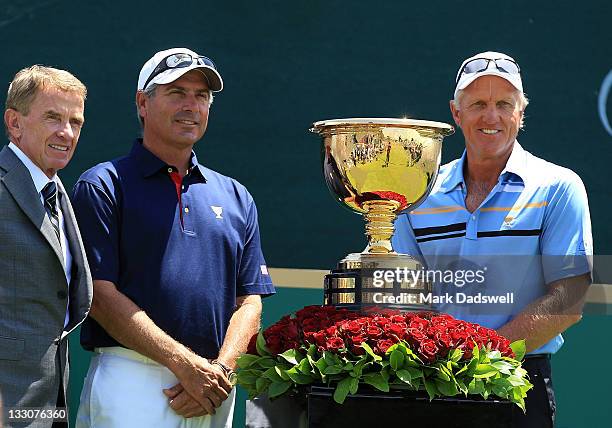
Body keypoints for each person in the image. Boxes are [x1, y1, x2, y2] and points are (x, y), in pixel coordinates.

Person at [72, 47, 275, 428]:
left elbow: (250, 302)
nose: (191, 105)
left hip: (214, 387)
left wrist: (220, 371)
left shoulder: (236, 196)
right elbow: (98, 295)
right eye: (176, 92)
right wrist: (183, 364)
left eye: (202, 96)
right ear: (142, 103)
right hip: (132, 377)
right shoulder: (103, 185)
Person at [392, 51, 592, 427]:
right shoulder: (419, 192)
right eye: (479, 104)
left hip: (519, 384)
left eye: (504, 104)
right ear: (456, 113)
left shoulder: (558, 186)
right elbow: (403, 296)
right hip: (428, 384)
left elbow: (570, 298)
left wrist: (479, 357)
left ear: (520, 113)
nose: (491, 117)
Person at [0, 65, 93, 427]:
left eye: (76, 122)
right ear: (15, 122)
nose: (66, 132)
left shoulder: (56, 193)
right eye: (52, 117)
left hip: (48, 403)